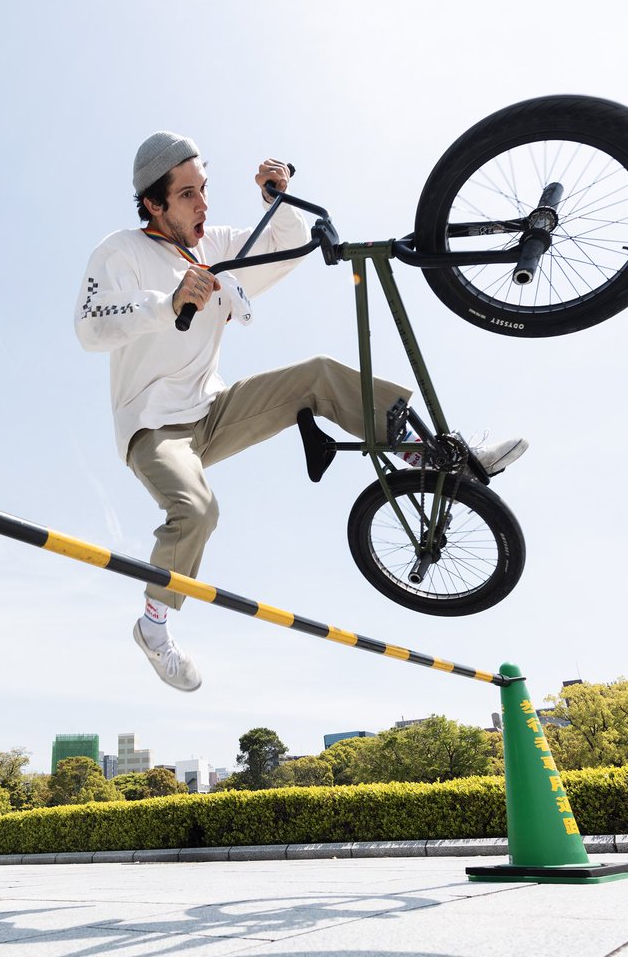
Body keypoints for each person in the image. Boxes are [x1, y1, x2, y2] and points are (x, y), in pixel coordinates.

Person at [74, 131, 526, 692]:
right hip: (153, 427)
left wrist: (277, 199)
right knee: (196, 509)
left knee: (317, 372)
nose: (203, 205)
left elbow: (274, 251)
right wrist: (168, 303)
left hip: (213, 408)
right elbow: (91, 327)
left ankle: (433, 452)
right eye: (188, 194)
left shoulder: (210, 244)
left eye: (205, 189)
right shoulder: (120, 251)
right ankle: (154, 624)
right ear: (153, 203)